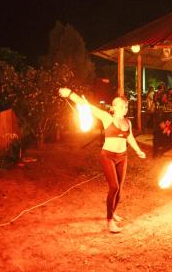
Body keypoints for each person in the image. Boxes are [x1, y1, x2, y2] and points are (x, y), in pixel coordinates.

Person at [58, 88, 146, 233]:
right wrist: (69, 93)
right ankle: (109, 221)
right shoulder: (107, 117)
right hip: (108, 156)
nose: (125, 108)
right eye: (122, 106)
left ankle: (113, 212)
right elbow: (88, 107)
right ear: (114, 107)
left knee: (119, 191)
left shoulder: (127, 122)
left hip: (122, 157)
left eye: (126, 106)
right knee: (114, 187)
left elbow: (129, 137)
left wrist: (138, 150)